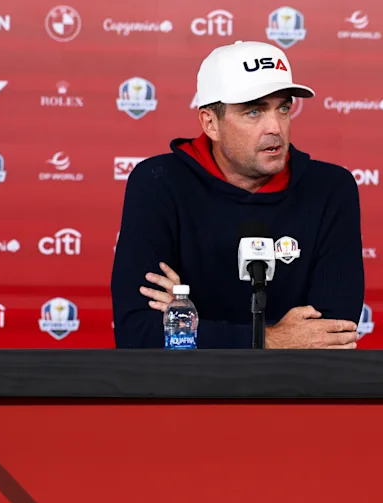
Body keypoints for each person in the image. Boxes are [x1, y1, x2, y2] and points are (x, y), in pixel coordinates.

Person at [111, 41, 363, 348]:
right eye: (254, 111)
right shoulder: (158, 183)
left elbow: (333, 335)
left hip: (291, 382)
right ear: (210, 124)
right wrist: (270, 339)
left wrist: (188, 323)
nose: (275, 127)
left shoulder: (330, 188)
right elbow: (137, 333)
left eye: (283, 108)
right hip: (187, 382)